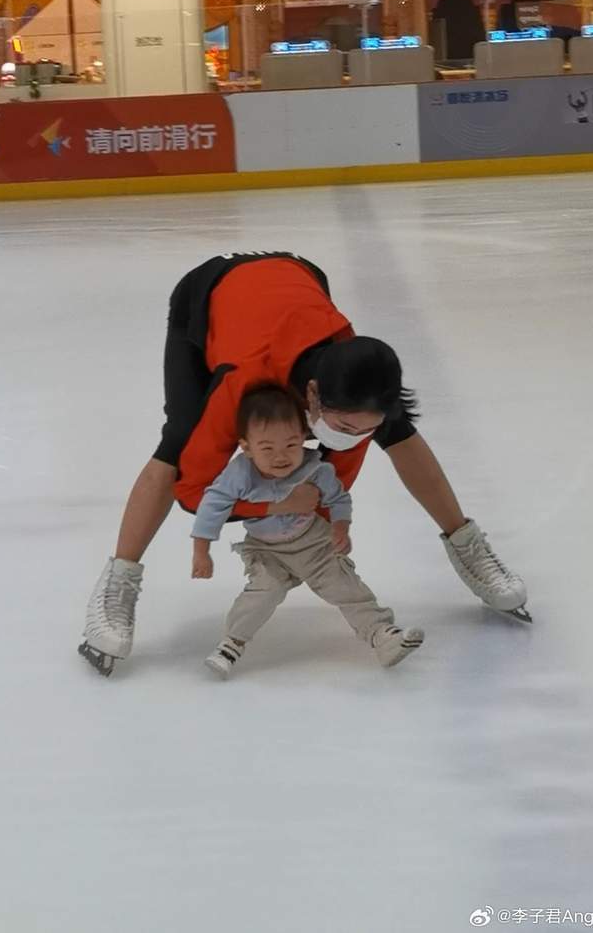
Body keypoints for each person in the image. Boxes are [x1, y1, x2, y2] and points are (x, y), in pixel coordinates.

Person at [79, 252, 529, 678]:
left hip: (297, 278)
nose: (355, 439)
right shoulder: (242, 381)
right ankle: (119, 582)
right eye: (346, 427)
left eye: (362, 431)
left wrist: (313, 530)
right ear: (311, 395)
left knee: (398, 429)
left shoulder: (355, 383)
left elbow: (325, 490)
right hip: (208, 293)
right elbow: (194, 492)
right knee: (178, 439)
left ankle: (467, 543)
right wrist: (270, 512)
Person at [192, 384, 424, 678]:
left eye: (290, 445)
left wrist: (341, 527)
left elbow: (338, 498)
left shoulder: (314, 468)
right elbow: (213, 504)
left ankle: (382, 634)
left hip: (313, 543)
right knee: (262, 592)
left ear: (303, 438)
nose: (281, 456)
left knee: (345, 585)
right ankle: (231, 643)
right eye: (267, 448)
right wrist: (202, 551)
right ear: (246, 447)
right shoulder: (240, 473)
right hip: (266, 549)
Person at [432, 0, 485, 64]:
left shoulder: (442, 6)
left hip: (447, 50)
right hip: (469, 49)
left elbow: (436, 34)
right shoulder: (470, 7)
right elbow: (479, 31)